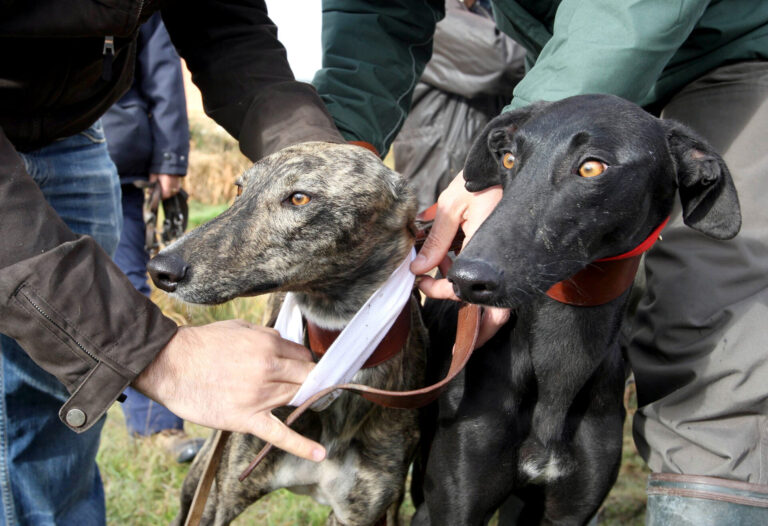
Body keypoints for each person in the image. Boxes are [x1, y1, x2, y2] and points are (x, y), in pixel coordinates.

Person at [310, 0, 768, 520]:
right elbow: (374, 17)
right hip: (568, 56)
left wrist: (546, 118)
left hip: (727, 51)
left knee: (712, 316)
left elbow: (633, 12)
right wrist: (331, 162)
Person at [0, 2, 348, 523]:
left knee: (60, 405)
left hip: (74, 134)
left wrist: (326, 171)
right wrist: (160, 356)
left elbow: (226, 25)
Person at [101, 12, 204, 464]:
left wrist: (170, 157)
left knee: (128, 290)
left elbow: (162, 67)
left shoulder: (139, 6)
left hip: (116, 162)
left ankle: (155, 427)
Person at [391, 0, 525, 212]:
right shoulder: (434, 16)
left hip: (474, 176)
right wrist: (557, 48)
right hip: (440, 176)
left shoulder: (481, 13)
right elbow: (503, 59)